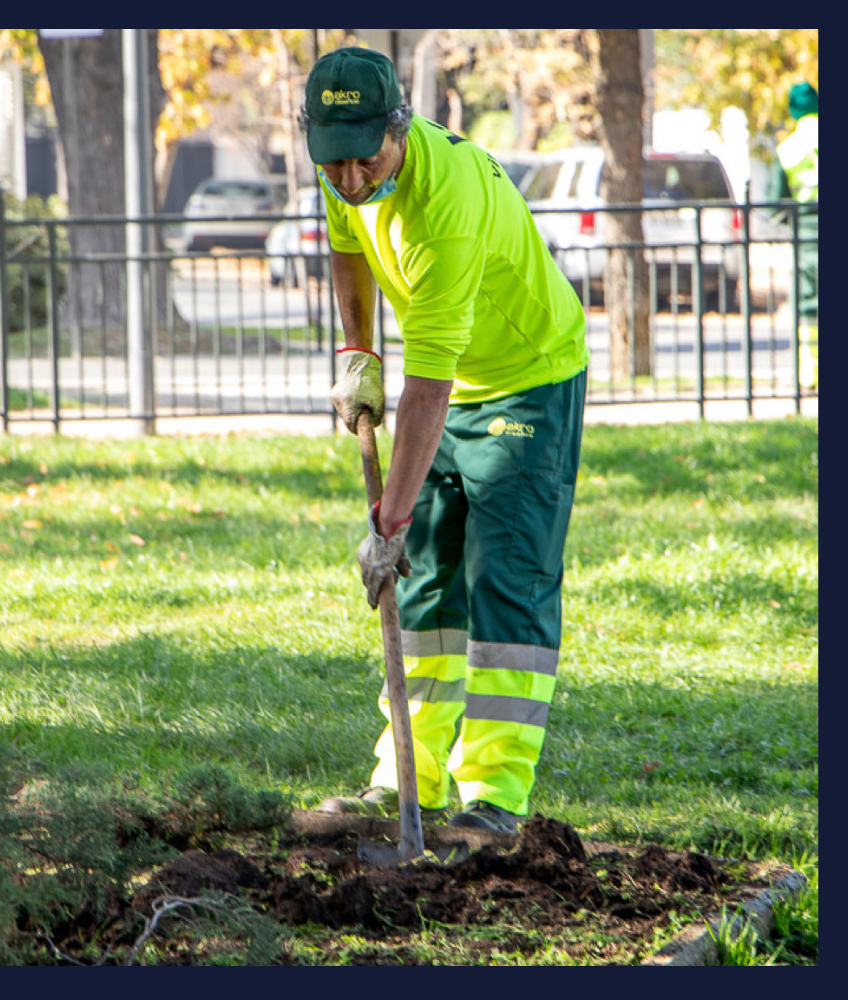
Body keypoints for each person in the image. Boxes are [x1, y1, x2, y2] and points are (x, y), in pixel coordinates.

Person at [303, 47, 589, 834]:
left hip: (524, 379)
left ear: (400, 126)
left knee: (507, 580)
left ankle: (493, 798)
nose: (352, 180)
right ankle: (409, 777)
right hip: (453, 384)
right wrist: (356, 351)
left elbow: (427, 387)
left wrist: (385, 525)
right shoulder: (341, 166)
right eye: (334, 163)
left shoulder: (445, 205)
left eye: (367, 158)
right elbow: (348, 243)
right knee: (426, 587)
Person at [767, 81, 818, 389]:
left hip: (807, 233)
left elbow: (774, 202)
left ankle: (811, 372)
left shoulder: (788, 148)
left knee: (810, 304)